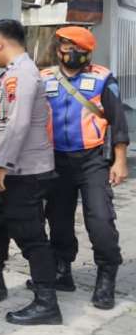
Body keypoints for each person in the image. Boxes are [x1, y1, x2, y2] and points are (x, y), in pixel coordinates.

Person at [0, 19, 62, 325]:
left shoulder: (23, 75)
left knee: (29, 234)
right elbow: (7, 125)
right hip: (11, 165)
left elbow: (20, 126)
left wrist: (1, 165)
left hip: (24, 171)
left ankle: (47, 302)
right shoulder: (13, 74)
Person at [39, 26, 129, 309]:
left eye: (76, 48)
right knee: (58, 218)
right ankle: (62, 269)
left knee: (100, 219)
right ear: (58, 49)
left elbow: (118, 120)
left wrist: (120, 160)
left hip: (92, 161)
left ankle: (106, 275)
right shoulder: (44, 78)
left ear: (87, 52)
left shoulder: (103, 77)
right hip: (56, 161)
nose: (70, 52)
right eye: (65, 46)